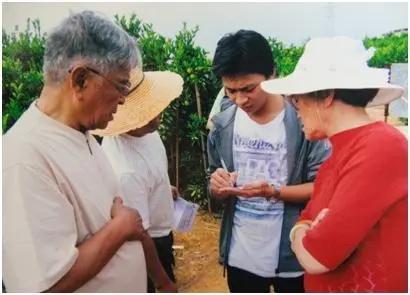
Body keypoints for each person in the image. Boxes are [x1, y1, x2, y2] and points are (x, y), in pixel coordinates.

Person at [3, 10, 171, 292]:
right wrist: (120, 229)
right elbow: (45, 286)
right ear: (80, 80)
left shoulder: (82, 133)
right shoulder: (24, 158)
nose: (123, 100)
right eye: (121, 86)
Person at [261, 36, 407, 292]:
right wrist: (303, 232)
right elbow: (305, 220)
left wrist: (302, 236)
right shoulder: (341, 152)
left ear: (326, 95)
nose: (296, 109)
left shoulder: (380, 147)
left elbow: (318, 256)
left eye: (297, 99)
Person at [207, 29, 330, 293]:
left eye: (249, 89)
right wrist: (217, 187)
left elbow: (324, 188)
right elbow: (214, 179)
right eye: (230, 90)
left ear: (272, 73)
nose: (240, 100)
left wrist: (273, 192)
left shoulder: (303, 122)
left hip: (293, 257)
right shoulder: (222, 126)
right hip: (241, 257)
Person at [92, 67, 183, 292]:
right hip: (150, 244)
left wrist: (162, 187)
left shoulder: (148, 131)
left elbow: (150, 171)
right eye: (147, 112)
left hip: (160, 233)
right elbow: (140, 236)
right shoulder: (126, 171)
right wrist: (163, 282)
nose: (156, 116)